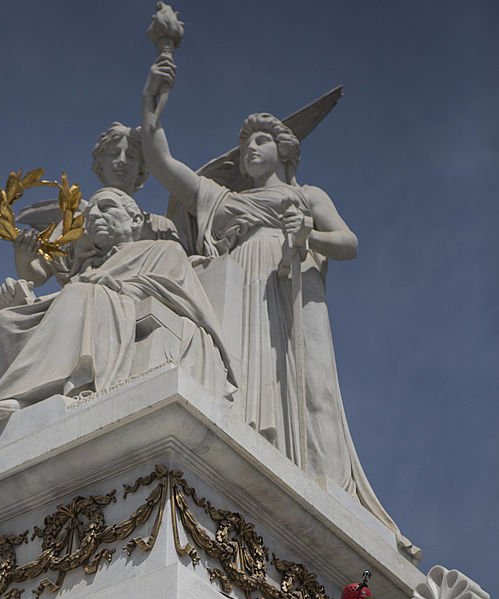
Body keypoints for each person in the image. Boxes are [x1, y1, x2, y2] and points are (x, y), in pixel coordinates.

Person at [140, 53, 419, 560]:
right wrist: (153, 108)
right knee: (240, 376)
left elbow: (349, 242)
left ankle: (300, 467)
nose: (250, 149)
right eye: (245, 144)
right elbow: (163, 164)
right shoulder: (221, 200)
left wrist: (306, 232)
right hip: (236, 288)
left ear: (284, 152)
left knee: (294, 380)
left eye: (261, 141)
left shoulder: (306, 195)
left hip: (287, 284)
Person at [0, 189, 235, 433]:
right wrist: (21, 292)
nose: (95, 217)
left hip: (116, 308)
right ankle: (16, 398)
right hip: (92, 306)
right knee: (6, 319)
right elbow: (60, 303)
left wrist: (116, 285)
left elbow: (176, 293)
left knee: (81, 293)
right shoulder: (88, 268)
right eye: (89, 215)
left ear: (136, 220)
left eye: (106, 207)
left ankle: (28, 393)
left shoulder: (162, 250)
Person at [12, 122, 179, 289]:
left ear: (141, 169)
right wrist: (23, 257)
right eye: (114, 153)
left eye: (131, 156)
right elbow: (36, 275)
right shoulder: (76, 220)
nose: (121, 161)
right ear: (100, 164)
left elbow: (178, 271)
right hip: (82, 297)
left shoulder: (159, 226)